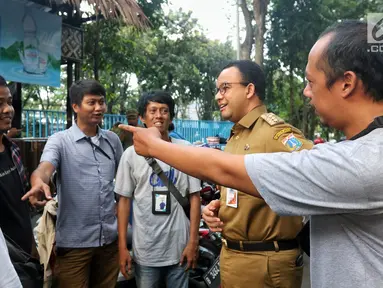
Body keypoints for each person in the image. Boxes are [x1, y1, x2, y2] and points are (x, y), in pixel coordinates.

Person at [119, 20, 383, 288]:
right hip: (234, 254)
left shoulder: (279, 134)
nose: (218, 97)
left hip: (267, 260)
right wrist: (224, 208)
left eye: (225, 88)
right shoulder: (236, 135)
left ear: (249, 90)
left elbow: (312, 181)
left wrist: (154, 146)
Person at [22, 79, 123, 288]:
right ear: (75, 106)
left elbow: (122, 184)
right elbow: (44, 168)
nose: (98, 108)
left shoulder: (112, 141)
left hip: (109, 243)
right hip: (75, 246)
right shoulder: (60, 141)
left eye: (101, 102)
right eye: (91, 102)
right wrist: (39, 182)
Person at [115, 91, 201, 288]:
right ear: (142, 118)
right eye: (152, 111)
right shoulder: (130, 155)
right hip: (146, 251)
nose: (159, 116)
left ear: (170, 116)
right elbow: (124, 201)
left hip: (180, 249)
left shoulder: (186, 150)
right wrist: (122, 248)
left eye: (164, 111)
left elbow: (195, 198)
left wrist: (192, 242)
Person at [0, 75, 35, 257]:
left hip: (23, 255)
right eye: (0, 103)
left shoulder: (12, 149)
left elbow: (20, 202)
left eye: (9, 102)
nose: (7, 109)